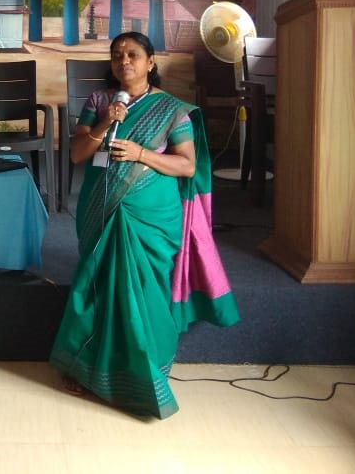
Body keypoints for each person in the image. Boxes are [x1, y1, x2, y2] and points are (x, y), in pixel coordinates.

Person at [49, 31, 239, 419]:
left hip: (150, 215)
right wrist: (104, 123)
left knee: (144, 290)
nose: (124, 61)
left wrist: (140, 154)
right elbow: (78, 153)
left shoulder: (171, 110)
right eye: (117, 55)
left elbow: (186, 165)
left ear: (150, 62)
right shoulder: (99, 101)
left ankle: (145, 366)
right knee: (96, 282)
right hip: (101, 205)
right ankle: (85, 365)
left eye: (133, 55)